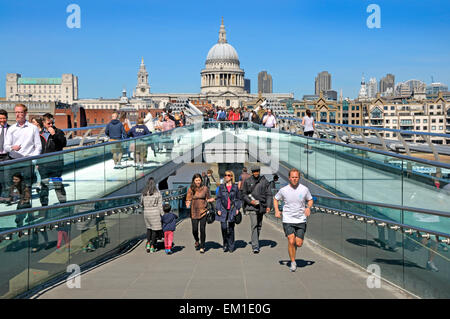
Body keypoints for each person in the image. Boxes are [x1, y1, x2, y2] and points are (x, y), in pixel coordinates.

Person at [273, 168, 313, 272]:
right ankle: (293, 261)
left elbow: (310, 199)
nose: (294, 179)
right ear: (289, 178)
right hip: (288, 219)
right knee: (291, 240)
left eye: (296, 177)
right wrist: (277, 211)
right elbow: (275, 199)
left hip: (301, 220)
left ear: (299, 178)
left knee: (298, 243)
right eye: (292, 177)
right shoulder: (284, 190)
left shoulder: (304, 189)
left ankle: (293, 250)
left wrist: (308, 207)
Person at [241, 165, 273, 253]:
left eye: (257, 171)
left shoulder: (265, 181)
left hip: (261, 206)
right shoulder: (248, 181)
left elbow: (269, 195)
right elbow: (244, 194)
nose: (256, 173)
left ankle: (256, 240)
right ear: (252, 172)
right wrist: (250, 202)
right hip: (252, 207)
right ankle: (255, 246)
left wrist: (269, 206)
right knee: (254, 225)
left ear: (259, 171)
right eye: (254, 171)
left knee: (259, 225)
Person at [39, 113, 67, 207]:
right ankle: (44, 206)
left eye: (52, 123)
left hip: (56, 164)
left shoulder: (59, 132)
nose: (51, 125)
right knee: (44, 186)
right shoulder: (39, 134)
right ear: (43, 123)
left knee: (58, 184)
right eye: (48, 123)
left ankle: (63, 204)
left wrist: (54, 135)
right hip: (43, 165)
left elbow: (63, 143)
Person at [186, 173, 215, 253]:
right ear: (193, 181)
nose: (198, 182)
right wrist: (187, 202)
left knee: (202, 229)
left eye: (199, 180)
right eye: (196, 180)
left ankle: (202, 246)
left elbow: (208, 198)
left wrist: (210, 200)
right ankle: (197, 240)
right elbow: (188, 198)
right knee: (194, 230)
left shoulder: (205, 188)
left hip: (203, 211)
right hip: (194, 211)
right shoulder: (191, 188)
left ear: (201, 180)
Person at [216, 170, 242, 253]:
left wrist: (237, 208)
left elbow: (238, 199)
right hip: (223, 209)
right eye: (225, 175)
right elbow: (219, 198)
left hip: (232, 209)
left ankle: (231, 245)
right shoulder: (221, 187)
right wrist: (218, 209)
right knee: (223, 227)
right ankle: (225, 243)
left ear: (231, 177)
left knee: (231, 228)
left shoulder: (235, 187)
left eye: (228, 175)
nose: (226, 176)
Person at [141, 177, 164, 253]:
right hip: (155, 213)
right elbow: (160, 205)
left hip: (146, 213)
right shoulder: (157, 193)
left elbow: (141, 203)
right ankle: (152, 246)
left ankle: (148, 243)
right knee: (155, 230)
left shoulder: (144, 193)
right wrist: (163, 215)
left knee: (149, 228)